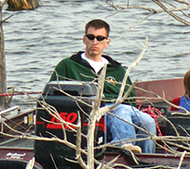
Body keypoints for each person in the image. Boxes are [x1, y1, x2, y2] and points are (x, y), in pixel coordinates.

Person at [48, 19, 157, 154]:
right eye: (91, 37)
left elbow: (130, 98)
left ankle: (146, 160)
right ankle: (124, 144)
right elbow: (51, 93)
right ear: (84, 39)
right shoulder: (68, 65)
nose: (95, 42)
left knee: (148, 121)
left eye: (100, 38)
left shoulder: (117, 70)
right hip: (86, 111)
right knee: (122, 112)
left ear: (107, 42)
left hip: (117, 108)